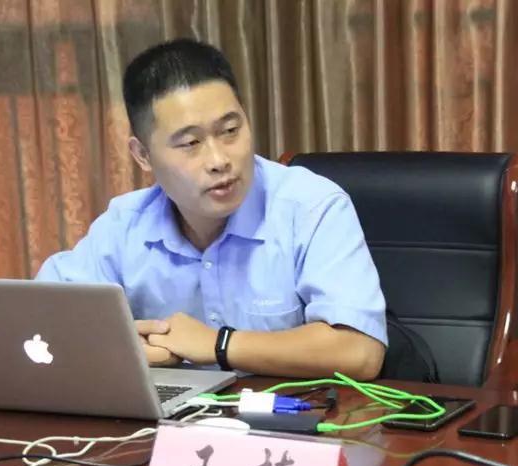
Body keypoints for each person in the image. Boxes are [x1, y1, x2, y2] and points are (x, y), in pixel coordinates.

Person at [36, 38, 387, 380]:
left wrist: (219, 345)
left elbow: (360, 351)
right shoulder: (124, 225)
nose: (219, 160)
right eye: (190, 143)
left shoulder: (311, 207)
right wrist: (120, 347)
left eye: (230, 130)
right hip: (167, 416)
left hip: (288, 414)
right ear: (142, 155)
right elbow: (39, 321)